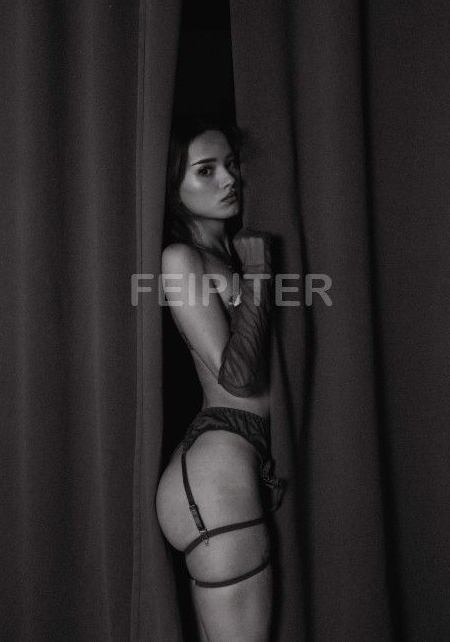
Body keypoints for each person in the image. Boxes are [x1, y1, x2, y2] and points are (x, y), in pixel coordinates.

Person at [156, 115, 281, 642]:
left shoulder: (223, 255)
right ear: (174, 188)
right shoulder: (181, 259)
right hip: (214, 476)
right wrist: (258, 275)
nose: (229, 179)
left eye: (230, 165)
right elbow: (238, 377)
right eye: (205, 170)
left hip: (235, 468)